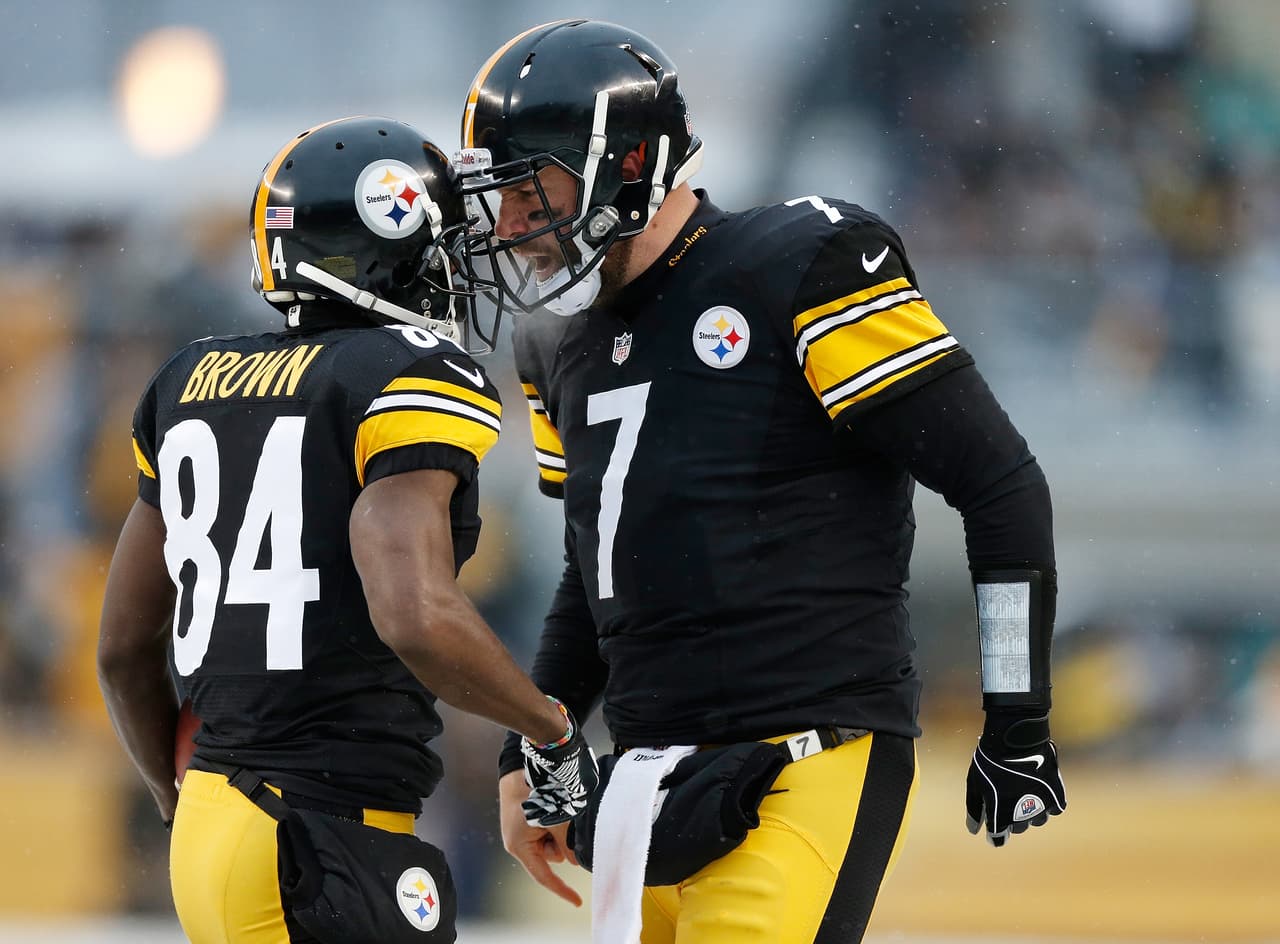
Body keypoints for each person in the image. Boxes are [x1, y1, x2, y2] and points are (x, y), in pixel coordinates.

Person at [456, 19, 1067, 943]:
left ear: (626, 165)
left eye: (530, 190)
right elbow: (595, 576)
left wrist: (1017, 719)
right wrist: (529, 752)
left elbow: (1001, 486)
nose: (512, 227)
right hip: (643, 785)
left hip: (802, 760)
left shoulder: (800, 264)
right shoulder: (556, 343)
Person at [95, 115, 597, 944]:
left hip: (219, 825)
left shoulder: (191, 378)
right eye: (441, 251)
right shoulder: (403, 375)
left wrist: (174, 793)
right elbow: (415, 616)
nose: (454, 275)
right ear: (388, 247)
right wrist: (550, 728)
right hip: (319, 835)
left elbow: (120, 646)